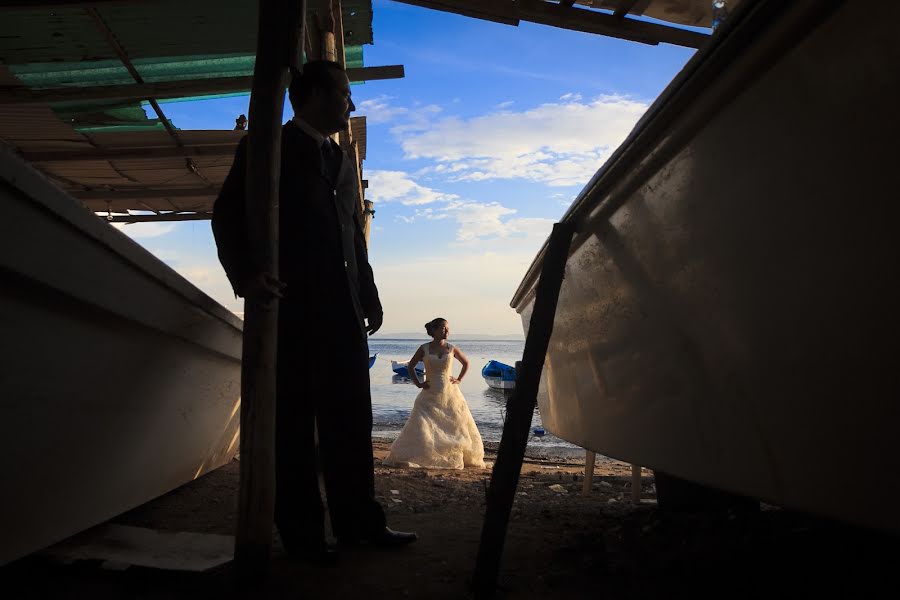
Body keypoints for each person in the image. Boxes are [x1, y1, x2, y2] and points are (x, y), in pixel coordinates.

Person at [211, 60, 416, 559]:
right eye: (345, 94)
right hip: (292, 313)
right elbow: (226, 215)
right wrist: (248, 276)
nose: (351, 104)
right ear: (318, 94)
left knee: (352, 422)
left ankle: (361, 526)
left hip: (344, 315)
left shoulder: (341, 158)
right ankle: (304, 539)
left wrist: (367, 293)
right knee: (295, 429)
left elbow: (352, 238)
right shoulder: (267, 146)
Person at [384, 318, 486, 469]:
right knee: (423, 424)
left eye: (448, 329)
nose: (447, 331)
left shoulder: (451, 348)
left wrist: (459, 379)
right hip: (429, 392)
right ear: (434, 331)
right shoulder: (424, 348)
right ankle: (424, 453)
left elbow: (466, 363)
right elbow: (411, 366)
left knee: (453, 425)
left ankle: (450, 452)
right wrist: (418, 383)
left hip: (450, 393)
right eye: (443, 328)